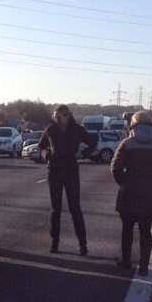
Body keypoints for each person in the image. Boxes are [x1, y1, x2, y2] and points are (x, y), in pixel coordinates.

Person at [111, 111, 152, 275]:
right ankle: (144, 266)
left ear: (133, 125)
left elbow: (115, 167)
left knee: (127, 229)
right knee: (146, 231)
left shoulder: (127, 143)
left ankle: (126, 261)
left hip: (130, 191)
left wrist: (124, 182)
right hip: (149, 192)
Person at [38, 105, 97, 255]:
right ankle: (54, 243)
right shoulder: (50, 129)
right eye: (55, 117)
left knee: (75, 208)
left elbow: (92, 142)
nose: (56, 120)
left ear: (67, 116)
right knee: (55, 209)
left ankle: (83, 245)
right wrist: (46, 155)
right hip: (54, 171)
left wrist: (83, 153)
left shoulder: (77, 129)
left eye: (59, 117)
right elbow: (41, 147)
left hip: (71, 170)